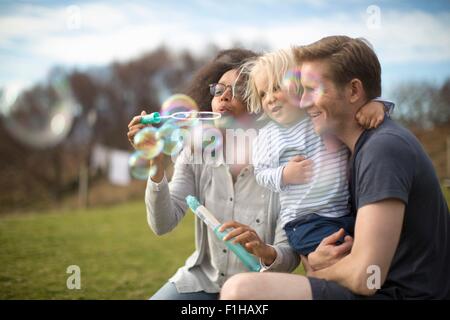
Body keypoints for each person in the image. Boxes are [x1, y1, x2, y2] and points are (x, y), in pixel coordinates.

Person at [220, 36, 450, 300]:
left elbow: (365, 276)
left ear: (354, 91)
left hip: (396, 294)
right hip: (370, 278)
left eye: (311, 89)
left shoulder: (383, 149)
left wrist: (318, 272)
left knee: (241, 291)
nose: (303, 101)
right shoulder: (359, 147)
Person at [127, 49, 300, 300]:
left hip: (259, 289)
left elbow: (290, 256)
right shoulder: (195, 152)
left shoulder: (283, 166)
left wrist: (265, 250)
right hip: (203, 281)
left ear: (260, 105)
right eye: (219, 90)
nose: (224, 97)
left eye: (239, 90)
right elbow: (162, 224)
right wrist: (156, 159)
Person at [242, 49, 393, 257]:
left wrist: (377, 105)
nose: (269, 99)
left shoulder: (319, 116)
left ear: (297, 85)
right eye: (262, 94)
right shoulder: (267, 136)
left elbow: (351, 113)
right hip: (305, 221)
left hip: (342, 213)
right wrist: (284, 174)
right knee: (346, 255)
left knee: (374, 246)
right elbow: (260, 173)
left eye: (276, 88)